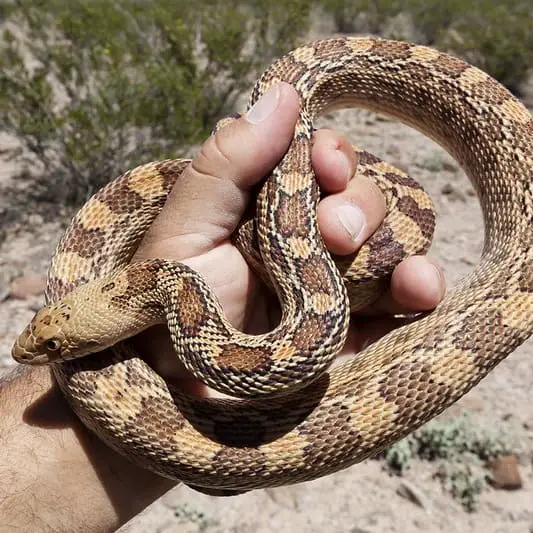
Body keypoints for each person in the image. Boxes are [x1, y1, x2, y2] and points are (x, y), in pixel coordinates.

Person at [0, 83, 445, 532]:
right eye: (53, 345)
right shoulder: (142, 298)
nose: (31, 355)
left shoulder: (158, 294)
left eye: (56, 347)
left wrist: (278, 232)